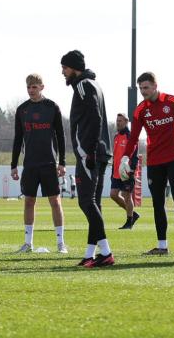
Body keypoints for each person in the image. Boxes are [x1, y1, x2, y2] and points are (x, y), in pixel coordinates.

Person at [120, 72, 174, 256]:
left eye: (146, 87)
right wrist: (125, 158)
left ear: (155, 86)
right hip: (155, 160)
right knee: (157, 203)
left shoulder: (173, 102)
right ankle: (162, 245)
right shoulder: (140, 110)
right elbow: (133, 138)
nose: (143, 92)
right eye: (140, 88)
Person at [61, 50, 115, 268]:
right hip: (97, 152)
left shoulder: (84, 85)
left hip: (90, 153)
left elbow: (95, 117)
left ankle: (106, 252)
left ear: (74, 68)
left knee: (86, 201)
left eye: (65, 68)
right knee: (94, 204)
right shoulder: (92, 84)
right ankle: (90, 254)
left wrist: (90, 151)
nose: (63, 72)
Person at [11, 73, 68, 253]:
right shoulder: (22, 109)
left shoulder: (52, 107)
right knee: (29, 201)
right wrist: (13, 164)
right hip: (30, 164)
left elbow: (60, 136)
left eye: (34, 87)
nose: (31, 90)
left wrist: (62, 162)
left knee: (55, 202)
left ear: (42, 87)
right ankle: (28, 243)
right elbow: (18, 138)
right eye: (28, 87)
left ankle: (60, 243)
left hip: (49, 163)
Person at [109, 114, 140, 230]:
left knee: (127, 196)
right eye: (117, 121)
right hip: (116, 173)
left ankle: (129, 222)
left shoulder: (130, 136)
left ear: (126, 122)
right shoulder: (116, 137)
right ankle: (133, 214)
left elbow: (135, 155)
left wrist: (132, 171)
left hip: (127, 172)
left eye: (120, 121)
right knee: (113, 195)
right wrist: (112, 172)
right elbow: (116, 156)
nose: (118, 123)